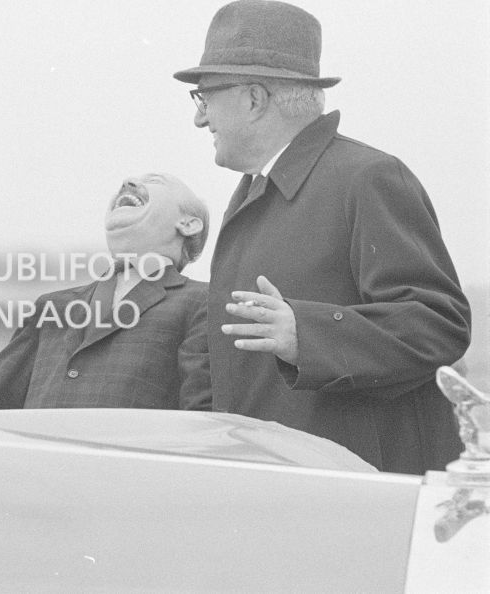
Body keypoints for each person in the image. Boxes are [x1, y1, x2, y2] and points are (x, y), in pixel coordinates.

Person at [173, 0, 470, 473]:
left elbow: (438, 324)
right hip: (275, 486)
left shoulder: (368, 177)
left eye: (204, 97)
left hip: (354, 495)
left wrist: (305, 335)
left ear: (254, 98)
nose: (199, 119)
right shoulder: (253, 191)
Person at [0, 172, 211, 411]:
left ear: (188, 224)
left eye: (155, 180)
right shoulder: (52, 306)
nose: (129, 183)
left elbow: (201, 412)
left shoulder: (203, 301)